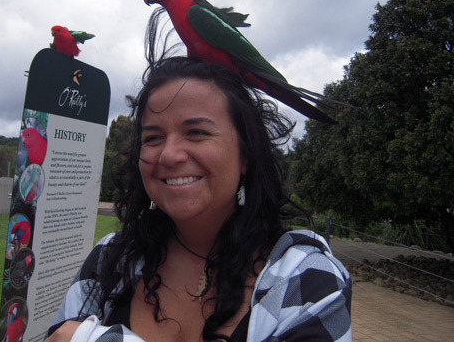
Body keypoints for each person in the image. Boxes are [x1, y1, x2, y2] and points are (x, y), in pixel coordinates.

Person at [45, 55, 352, 342]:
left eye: (196, 132)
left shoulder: (306, 279)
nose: (169, 155)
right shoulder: (109, 260)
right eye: (152, 138)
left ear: (245, 154)